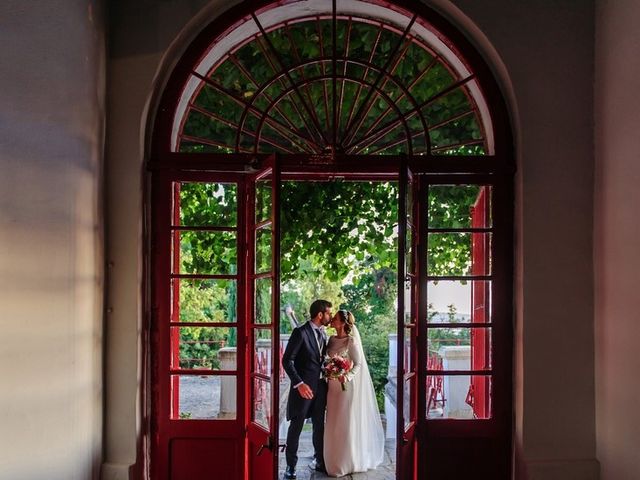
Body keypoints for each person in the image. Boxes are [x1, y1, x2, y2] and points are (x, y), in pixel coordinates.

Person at [323, 310, 385, 477]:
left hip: (345, 388)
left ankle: (346, 461)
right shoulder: (330, 339)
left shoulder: (351, 341)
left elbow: (358, 364)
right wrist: (327, 370)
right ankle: (332, 460)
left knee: (344, 423)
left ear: (342, 323)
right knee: (332, 422)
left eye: (335, 318)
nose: (332, 320)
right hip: (332, 387)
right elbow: (325, 360)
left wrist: (347, 376)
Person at [281, 299, 333, 479]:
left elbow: (319, 359)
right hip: (303, 388)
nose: (330, 316)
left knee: (319, 425)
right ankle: (290, 467)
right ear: (320, 314)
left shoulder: (324, 334)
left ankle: (320, 460)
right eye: (328, 313)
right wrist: (299, 384)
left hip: (321, 387)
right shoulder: (300, 332)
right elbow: (287, 360)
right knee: (296, 426)